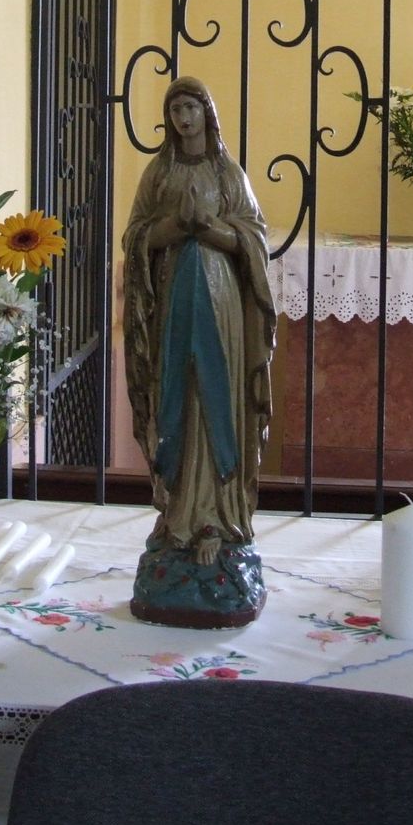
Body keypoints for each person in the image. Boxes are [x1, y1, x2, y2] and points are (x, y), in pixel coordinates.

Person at [122, 78, 275, 613]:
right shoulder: (159, 173)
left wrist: (210, 230)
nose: (184, 117)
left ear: (208, 112)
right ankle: (178, 517)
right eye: (175, 109)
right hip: (172, 304)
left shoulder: (228, 174)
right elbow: (136, 237)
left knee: (216, 400)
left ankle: (218, 518)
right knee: (178, 396)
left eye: (191, 107)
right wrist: (170, 227)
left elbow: (254, 238)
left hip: (221, 302)